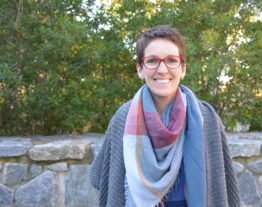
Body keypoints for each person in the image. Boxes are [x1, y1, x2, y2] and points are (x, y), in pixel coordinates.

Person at [89, 25, 240, 207]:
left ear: (182, 69)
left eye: (171, 60)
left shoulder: (206, 118)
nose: (162, 69)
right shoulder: (123, 117)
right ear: (140, 69)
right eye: (152, 61)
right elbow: (101, 177)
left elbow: (221, 181)